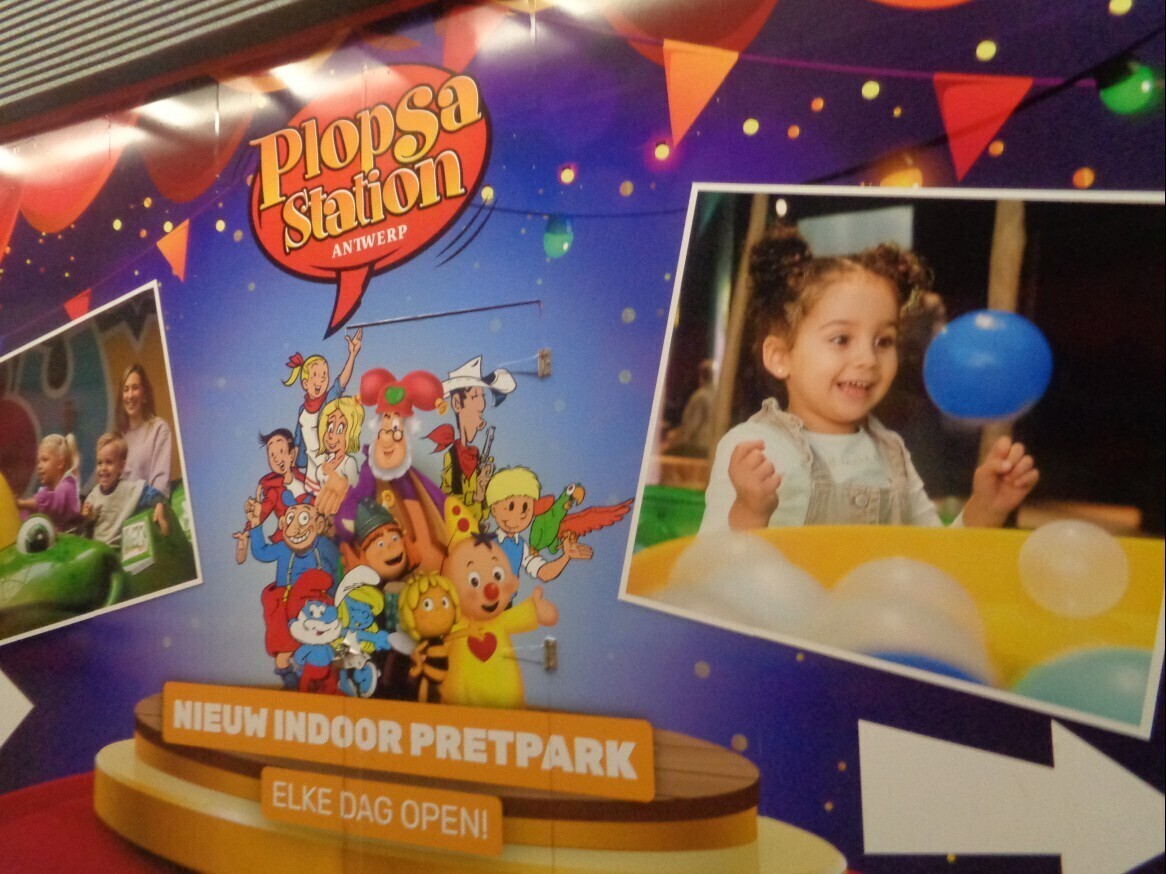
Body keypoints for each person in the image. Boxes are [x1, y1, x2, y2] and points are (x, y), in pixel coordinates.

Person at [701, 224, 1039, 533]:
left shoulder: (891, 453)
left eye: (884, 341)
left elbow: (933, 557)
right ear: (780, 356)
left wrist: (985, 509)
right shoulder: (753, 447)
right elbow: (710, 565)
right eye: (841, 339)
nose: (868, 359)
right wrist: (749, 513)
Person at [81, 432, 168, 546]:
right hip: (99, 549)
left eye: (109, 462)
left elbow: (152, 494)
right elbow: (87, 531)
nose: (103, 468)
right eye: (99, 463)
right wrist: (87, 518)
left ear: (121, 467)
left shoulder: (128, 489)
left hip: (121, 548)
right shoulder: (93, 496)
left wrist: (159, 506)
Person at [117, 363, 173, 497]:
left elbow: (160, 483)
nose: (130, 395)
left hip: (151, 506)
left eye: (135, 388)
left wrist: (156, 502)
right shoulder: (118, 438)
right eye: (126, 389)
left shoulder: (159, 429)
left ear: (145, 395)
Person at [16, 433, 83, 532]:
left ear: (60, 463)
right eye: (38, 462)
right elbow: (32, 513)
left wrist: (22, 503)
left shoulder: (67, 487)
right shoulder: (46, 490)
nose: (39, 466)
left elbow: (53, 503)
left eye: (45, 460)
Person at [664, 358, 716, 457]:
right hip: (711, 448)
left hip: (697, 448)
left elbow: (690, 429)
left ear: (702, 375)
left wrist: (672, 443)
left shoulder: (700, 396)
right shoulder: (718, 396)